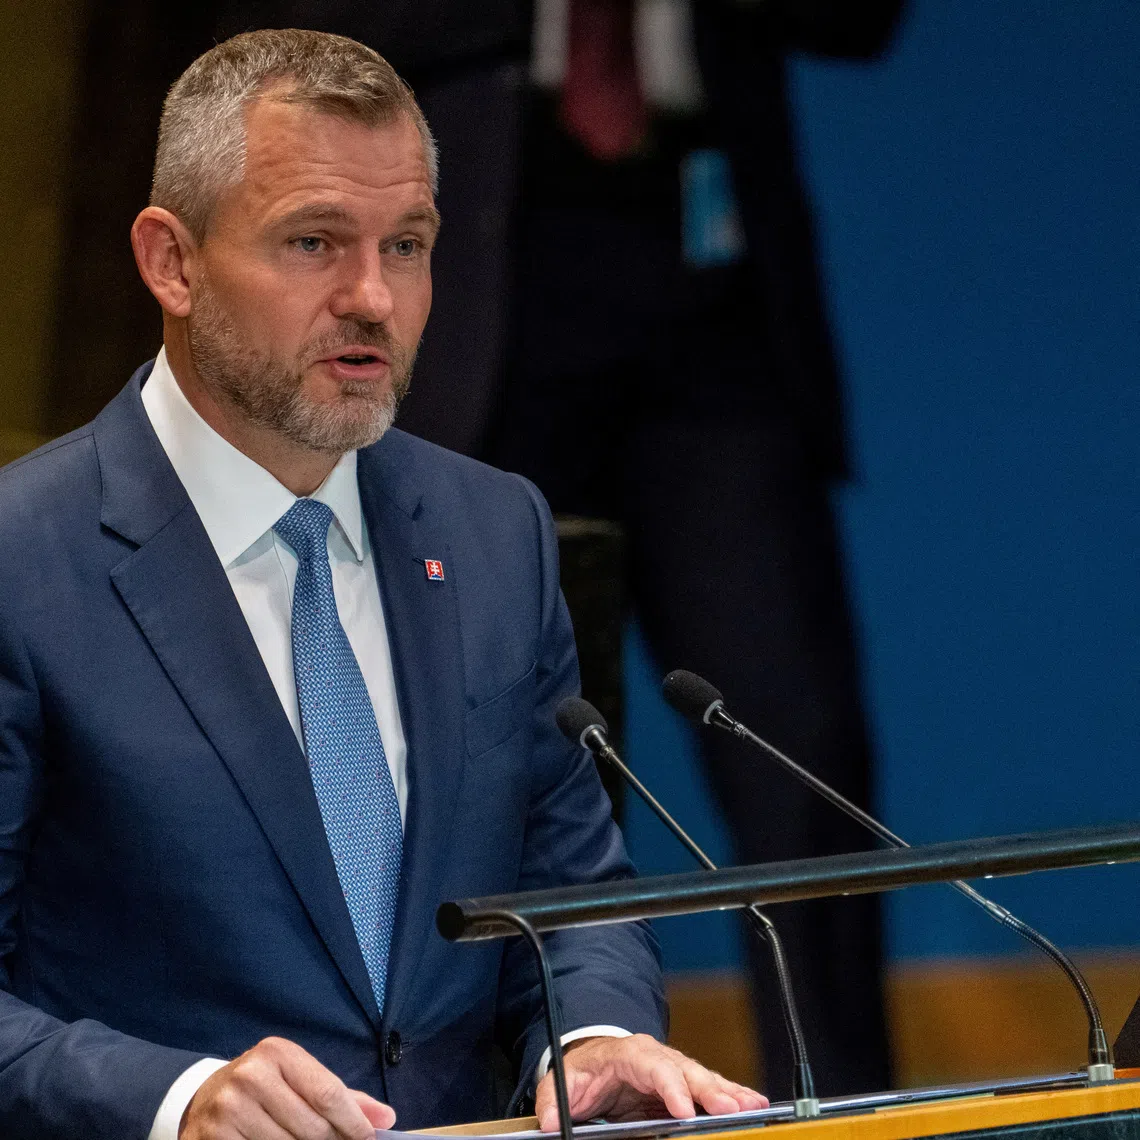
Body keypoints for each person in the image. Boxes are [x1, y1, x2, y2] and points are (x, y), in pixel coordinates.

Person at [0, 30, 767, 1140]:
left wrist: (589, 1041)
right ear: (171, 260)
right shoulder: (27, 561)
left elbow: (571, 892)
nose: (373, 298)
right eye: (314, 242)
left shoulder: (495, 532)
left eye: (406, 246)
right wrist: (174, 1100)